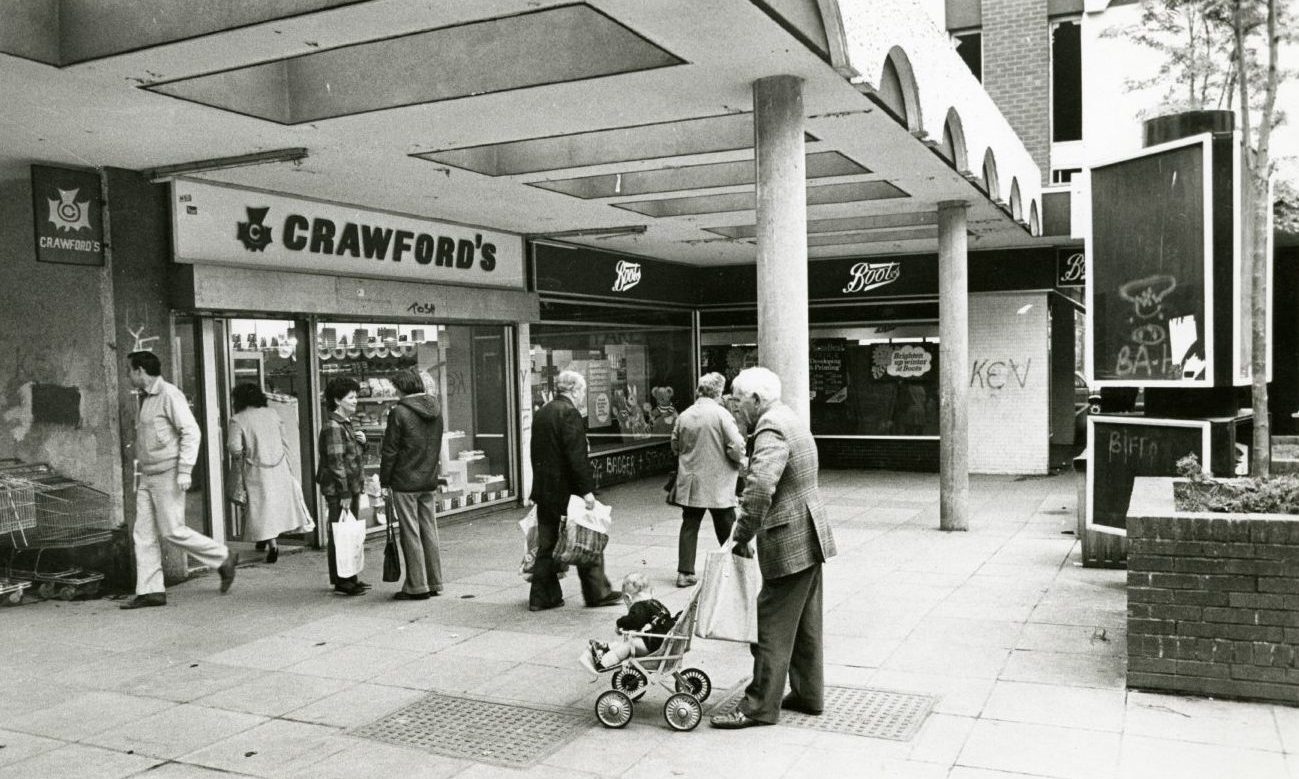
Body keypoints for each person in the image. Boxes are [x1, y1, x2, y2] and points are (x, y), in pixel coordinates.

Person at [709, 366, 837, 729]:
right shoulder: (789, 417)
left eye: (737, 398)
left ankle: (758, 707)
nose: (735, 406)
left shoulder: (770, 426)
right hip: (808, 534)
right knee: (805, 622)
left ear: (755, 399)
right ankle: (808, 694)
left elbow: (761, 487)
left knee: (771, 623)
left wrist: (741, 535)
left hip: (789, 539)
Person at [122, 351, 236, 609]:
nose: (128, 375)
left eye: (130, 370)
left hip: (168, 474)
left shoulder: (169, 395)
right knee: (143, 533)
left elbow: (191, 432)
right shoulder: (146, 397)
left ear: (141, 371)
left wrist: (185, 470)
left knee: (172, 530)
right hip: (148, 474)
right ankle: (151, 591)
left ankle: (222, 556)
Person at [528, 369, 622, 612]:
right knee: (587, 537)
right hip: (565, 492)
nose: (583, 396)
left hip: (545, 490)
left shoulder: (544, 411)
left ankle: (541, 597)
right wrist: (586, 491)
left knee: (547, 545)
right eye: (583, 391)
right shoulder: (569, 413)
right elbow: (576, 457)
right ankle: (597, 592)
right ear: (574, 390)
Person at [670, 372, 746, 588]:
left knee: (690, 524)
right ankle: (737, 567)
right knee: (726, 524)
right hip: (718, 481)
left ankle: (685, 572)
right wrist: (739, 461)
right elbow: (736, 445)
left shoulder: (684, 415)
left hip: (692, 481)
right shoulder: (721, 414)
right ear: (719, 391)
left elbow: (674, 445)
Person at [227, 383, 313, 563]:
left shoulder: (238, 419)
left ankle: (272, 544)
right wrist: (289, 467)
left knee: (260, 507)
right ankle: (265, 540)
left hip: (255, 469)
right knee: (273, 507)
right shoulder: (272, 414)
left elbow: (234, 448)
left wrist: (242, 455)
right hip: (279, 467)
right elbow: (285, 442)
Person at [379, 369, 445, 601]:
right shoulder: (436, 410)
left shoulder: (399, 412)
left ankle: (416, 585)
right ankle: (434, 581)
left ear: (402, 388)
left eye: (396, 388)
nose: (394, 392)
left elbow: (390, 451)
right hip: (428, 479)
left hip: (405, 481)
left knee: (410, 533)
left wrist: (385, 480)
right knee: (429, 529)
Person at [315, 376, 368, 596]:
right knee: (340, 533)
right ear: (338, 400)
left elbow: (350, 457)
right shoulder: (333, 426)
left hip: (350, 487)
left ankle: (350, 576)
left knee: (349, 533)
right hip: (340, 490)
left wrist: (361, 444)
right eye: (351, 397)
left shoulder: (345, 424)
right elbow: (336, 462)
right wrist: (344, 490)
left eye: (356, 396)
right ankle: (341, 579)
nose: (355, 401)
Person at [582, 572, 673, 672]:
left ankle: (604, 662)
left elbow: (632, 620)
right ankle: (607, 648)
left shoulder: (639, 606)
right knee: (634, 637)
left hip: (654, 646)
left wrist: (619, 624)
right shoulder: (656, 604)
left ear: (628, 598)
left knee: (629, 644)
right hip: (663, 642)